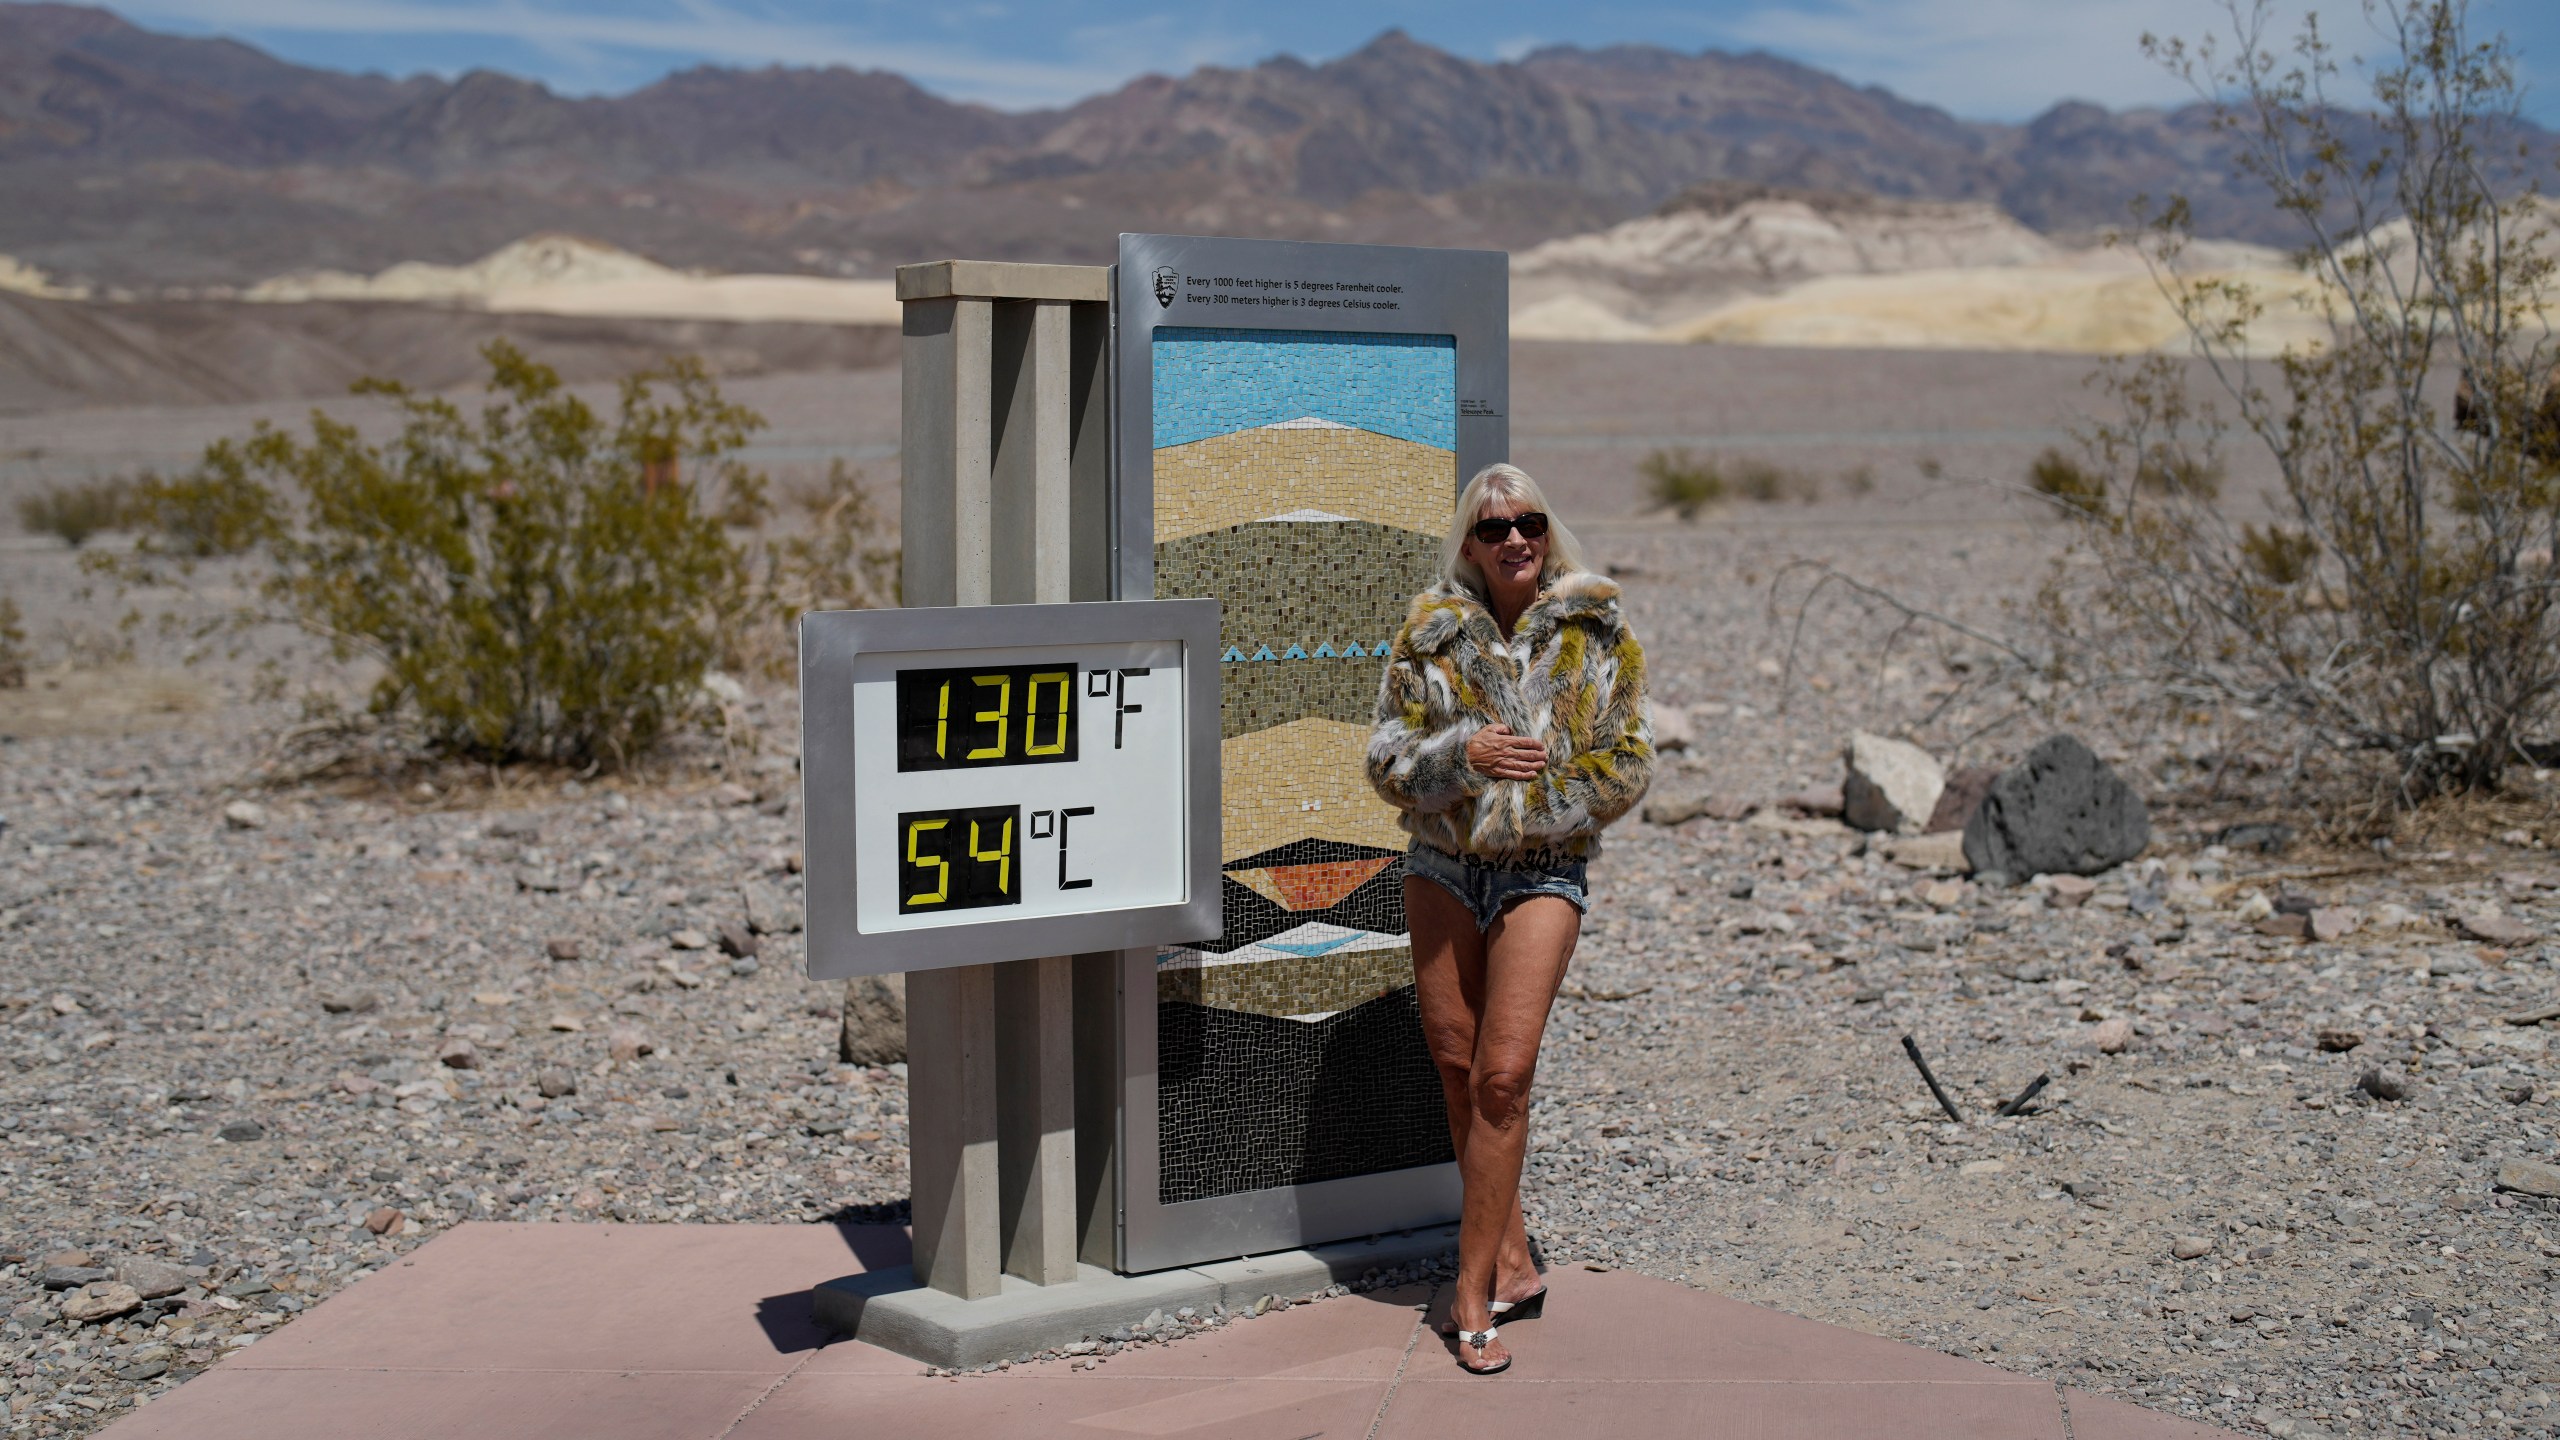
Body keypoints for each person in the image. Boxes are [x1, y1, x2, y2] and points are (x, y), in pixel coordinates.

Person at [1366, 461, 1653, 1375]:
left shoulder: (1594, 632)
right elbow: (1385, 758)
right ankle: (1515, 1260)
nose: (1515, 539)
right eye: (1494, 528)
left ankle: (1470, 1287)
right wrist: (1463, 752)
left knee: (1503, 1078)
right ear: (1471, 543)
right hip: (1442, 870)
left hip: (1542, 873)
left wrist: (1526, 809)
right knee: (1457, 1070)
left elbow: (1630, 762)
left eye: (1528, 520)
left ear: (1547, 528)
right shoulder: (1430, 634)